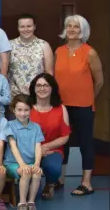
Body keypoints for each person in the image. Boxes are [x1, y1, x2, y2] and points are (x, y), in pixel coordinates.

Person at [54, 14, 104, 196]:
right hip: (62, 106)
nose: (72, 30)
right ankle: (60, 179)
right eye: (69, 26)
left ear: (83, 31)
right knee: (63, 142)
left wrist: (88, 98)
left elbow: (99, 81)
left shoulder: (89, 52)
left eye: (76, 27)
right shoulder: (58, 51)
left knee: (85, 143)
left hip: (83, 106)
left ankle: (86, 183)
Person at [28, 73, 69, 200]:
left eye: (46, 85)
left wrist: (45, 146)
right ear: (33, 89)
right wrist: (37, 149)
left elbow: (65, 136)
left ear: (52, 88)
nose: (42, 88)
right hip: (29, 149)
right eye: (38, 85)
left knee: (53, 168)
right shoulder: (26, 108)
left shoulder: (61, 109)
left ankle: (50, 184)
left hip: (52, 149)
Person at [4, 95, 44, 210]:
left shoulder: (36, 127)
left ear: (31, 109)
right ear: (13, 110)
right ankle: (22, 202)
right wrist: (22, 164)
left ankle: (31, 201)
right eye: (19, 110)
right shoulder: (9, 125)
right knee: (25, 172)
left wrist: (36, 164)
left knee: (37, 172)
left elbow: (38, 147)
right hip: (13, 163)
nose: (23, 113)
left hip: (30, 163)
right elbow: (13, 146)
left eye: (26, 110)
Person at [7, 13, 53, 101]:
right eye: (22, 26)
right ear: (18, 28)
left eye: (29, 26)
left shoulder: (44, 45)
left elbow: (49, 74)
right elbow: (4, 70)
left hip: (38, 96)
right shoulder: (9, 45)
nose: (26, 29)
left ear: (34, 26)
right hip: (15, 98)